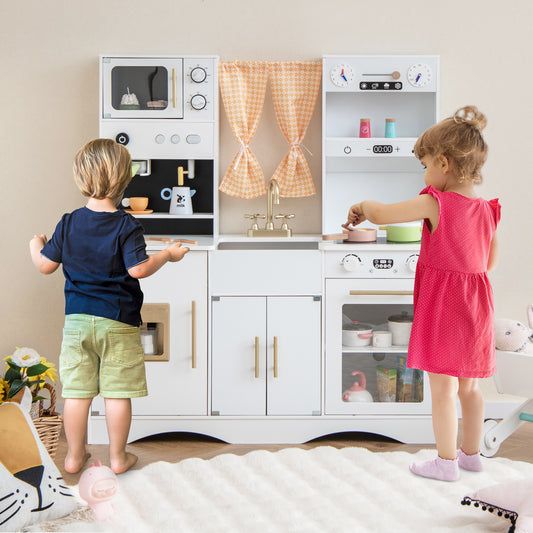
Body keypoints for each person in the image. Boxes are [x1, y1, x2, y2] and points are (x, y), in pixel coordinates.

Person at [343, 106, 500, 482]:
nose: (425, 173)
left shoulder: (436, 203)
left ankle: (445, 463)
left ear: (444, 163)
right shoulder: (488, 210)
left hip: (446, 307)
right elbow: (489, 263)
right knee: (471, 388)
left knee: (442, 389)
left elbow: (382, 215)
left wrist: (363, 206)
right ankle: (471, 455)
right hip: (477, 307)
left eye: (425, 164)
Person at [29, 139, 189, 475]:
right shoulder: (127, 225)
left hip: (76, 324)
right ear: (123, 179)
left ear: (82, 178)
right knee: (117, 393)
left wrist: (36, 244)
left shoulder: (69, 222)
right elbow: (138, 270)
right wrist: (167, 255)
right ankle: (118, 457)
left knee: (77, 393)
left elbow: (44, 265)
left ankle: (73, 457)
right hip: (118, 322)